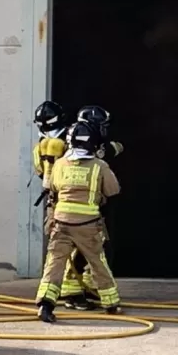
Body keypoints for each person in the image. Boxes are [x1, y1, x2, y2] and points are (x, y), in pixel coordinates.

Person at [35, 121, 123, 323]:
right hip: (87, 226)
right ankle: (110, 303)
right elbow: (113, 190)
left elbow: (53, 189)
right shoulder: (99, 166)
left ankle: (46, 304)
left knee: (54, 263)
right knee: (98, 263)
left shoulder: (60, 164)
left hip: (61, 223)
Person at [60, 105, 124, 310]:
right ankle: (71, 291)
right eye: (102, 126)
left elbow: (114, 149)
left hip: (91, 209)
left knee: (97, 249)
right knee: (77, 250)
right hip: (77, 211)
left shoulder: (94, 147)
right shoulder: (74, 150)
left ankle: (85, 286)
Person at [32, 101, 69, 238]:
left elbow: (39, 171)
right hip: (66, 194)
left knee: (56, 235)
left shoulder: (42, 144)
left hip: (57, 196)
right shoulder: (70, 138)